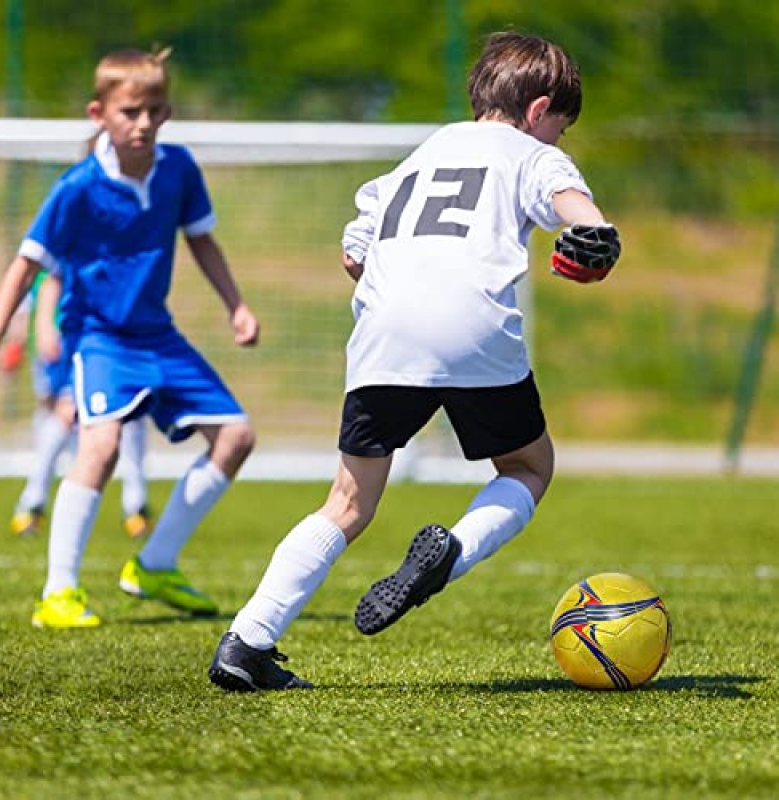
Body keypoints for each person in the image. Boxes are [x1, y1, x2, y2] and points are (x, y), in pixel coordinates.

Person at [207, 30, 621, 692]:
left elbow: (354, 252)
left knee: (347, 501)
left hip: (383, 332)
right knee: (529, 465)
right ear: (539, 110)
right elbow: (575, 209)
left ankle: (247, 641)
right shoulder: (526, 153)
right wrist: (598, 233)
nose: (556, 145)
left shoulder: (420, 155)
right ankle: (449, 556)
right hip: (472, 326)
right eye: (559, 131)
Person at [0, 47, 259, 628]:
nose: (143, 123)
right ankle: (59, 593)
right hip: (98, 338)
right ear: (98, 113)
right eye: (130, 111)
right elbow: (25, 265)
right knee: (100, 448)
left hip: (158, 335)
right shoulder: (77, 187)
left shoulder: (178, 169)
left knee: (235, 437)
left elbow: (200, 239)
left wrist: (236, 305)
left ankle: (154, 564)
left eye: (155, 110)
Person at [1, 271, 153, 539]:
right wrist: (24, 337)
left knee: (130, 415)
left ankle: (136, 505)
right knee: (61, 414)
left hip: (108, 340)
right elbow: (36, 291)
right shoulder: (52, 250)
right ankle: (33, 501)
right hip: (69, 343)